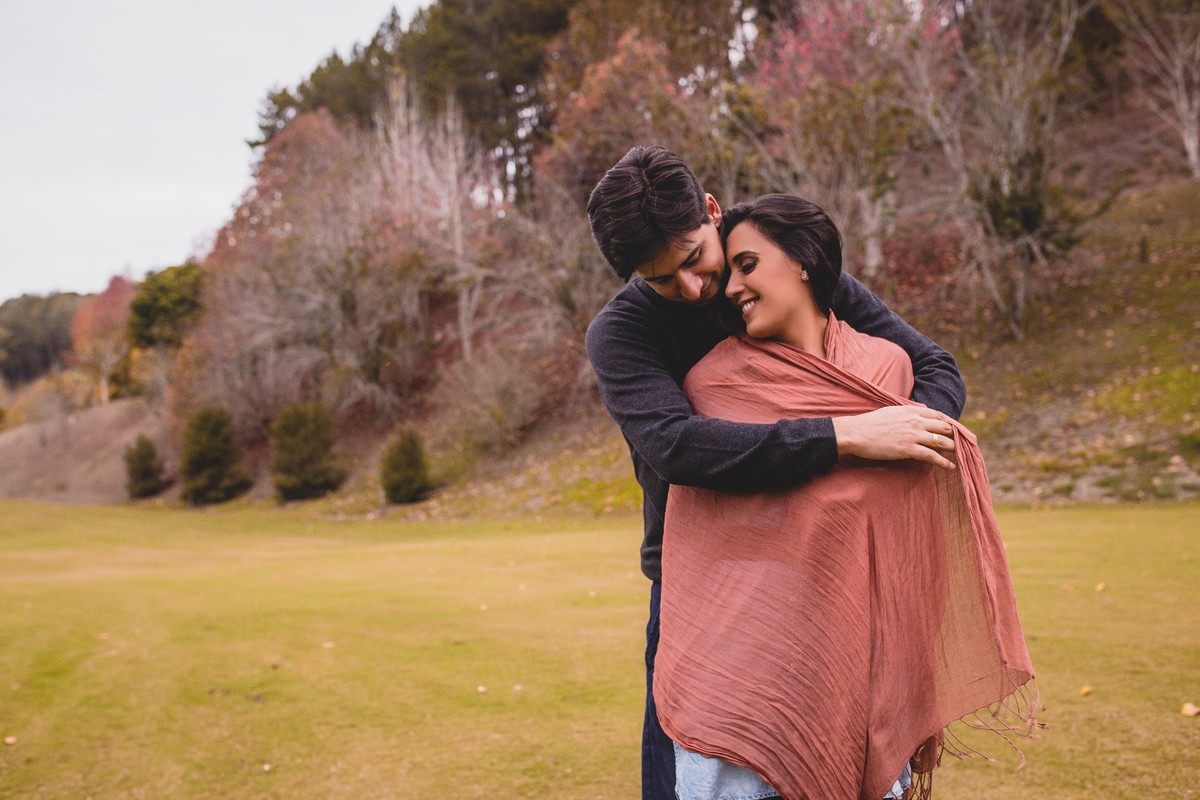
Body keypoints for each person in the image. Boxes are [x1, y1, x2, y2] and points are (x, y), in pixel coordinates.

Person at [584, 145, 966, 800]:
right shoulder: (622, 333)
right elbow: (677, 448)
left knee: (850, 756)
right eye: (660, 280)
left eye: (694, 261)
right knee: (687, 765)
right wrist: (847, 435)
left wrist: (901, 435)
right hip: (701, 573)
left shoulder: (778, 266)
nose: (696, 290)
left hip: (828, 561)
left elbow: (936, 370)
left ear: (712, 211)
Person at [653, 195, 1036, 800]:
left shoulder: (887, 370)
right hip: (740, 678)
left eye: (747, 265)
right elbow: (702, 526)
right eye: (730, 273)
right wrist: (849, 441)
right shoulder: (714, 386)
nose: (731, 288)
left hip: (862, 677)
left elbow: (913, 513)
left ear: (803, 262)